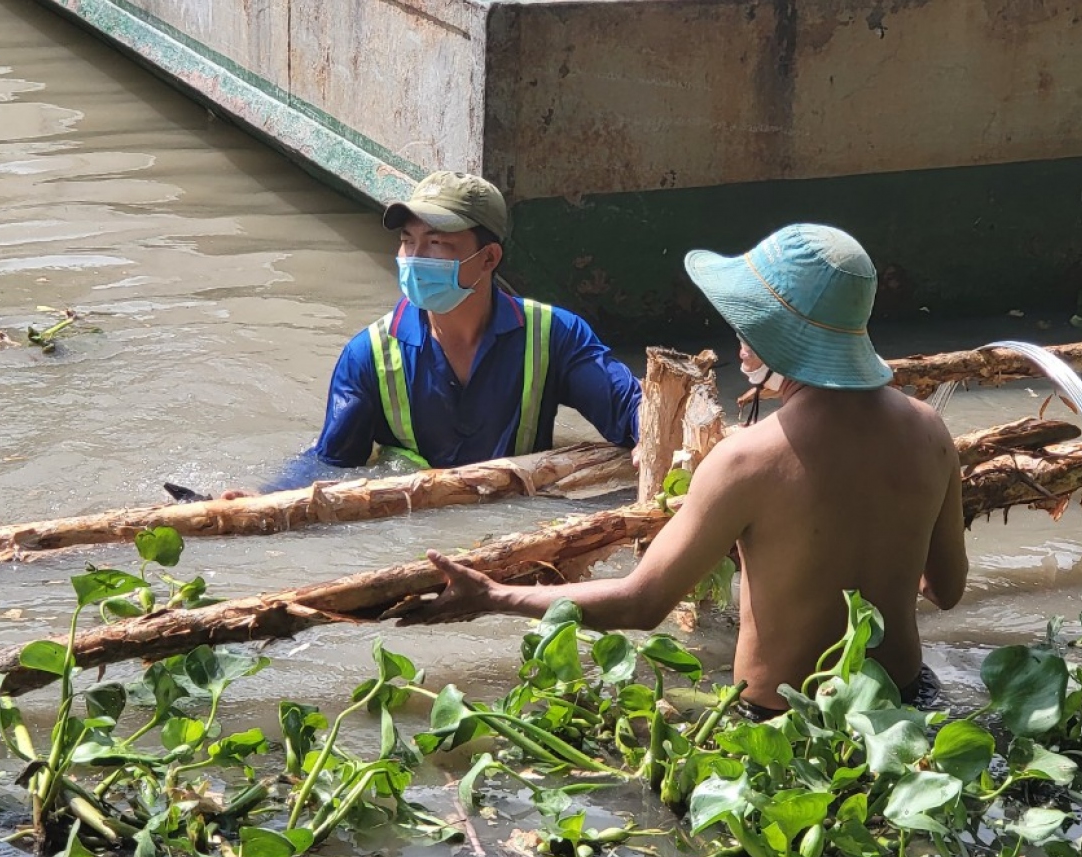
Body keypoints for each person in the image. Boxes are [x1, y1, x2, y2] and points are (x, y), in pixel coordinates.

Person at [394, 224, 968, 716]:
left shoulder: (747, 459)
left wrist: (494, 595)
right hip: (906, 708)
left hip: (783, 726)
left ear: (781, 339)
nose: (740, 342)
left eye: (753, 325)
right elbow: (945, 590)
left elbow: (641, 605)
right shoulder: (930, 433)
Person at [241, 172, 642, 495]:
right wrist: (262, 498)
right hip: (414, 530)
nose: (414, 260)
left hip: (515, 517)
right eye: (407, 241)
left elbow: (630, 407)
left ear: (488, 258)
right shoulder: (369, 354)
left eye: (436, 244)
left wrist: (651, 440)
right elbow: (332, 467)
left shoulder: (554, 335)